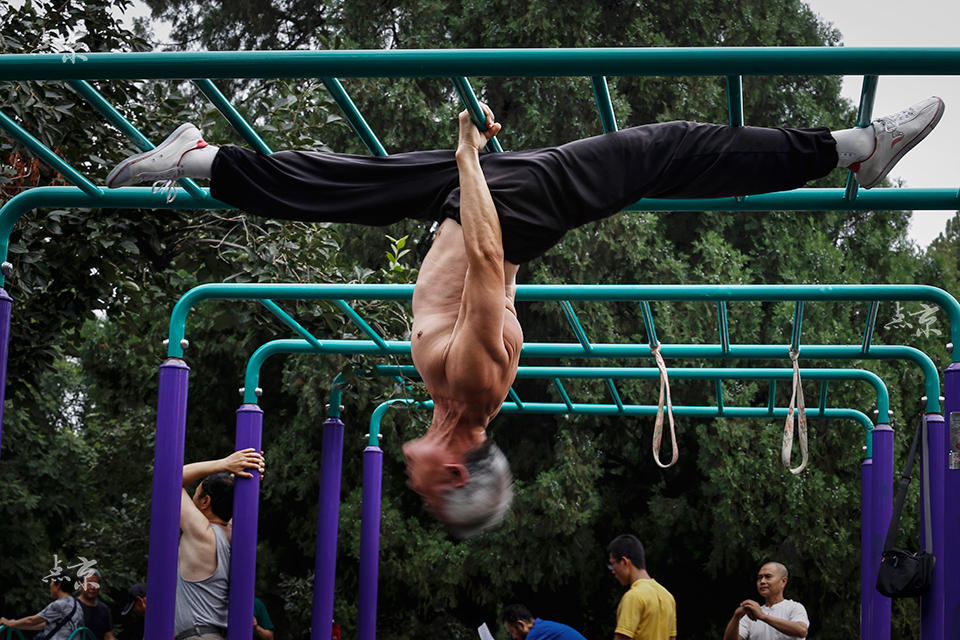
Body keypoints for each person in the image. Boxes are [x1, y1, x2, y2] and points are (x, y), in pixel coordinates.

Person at [107, 97, 944, 536]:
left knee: (351, 186)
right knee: (671, 148)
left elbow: (481, 273)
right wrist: (475, 162)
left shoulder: (455, 394)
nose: (413, 485)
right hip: (507, 205)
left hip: (473, 204)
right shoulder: (468, 385)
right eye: (431, 496)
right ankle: (856, 149)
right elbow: (483, 261)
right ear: (453, 472)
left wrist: (466, 177)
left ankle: (199, 159)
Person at [175, 448, 266, 640]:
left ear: (205, 501)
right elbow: (233, 501)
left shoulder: (202, 533)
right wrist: (243, 474)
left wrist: (224, 463)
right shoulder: (235, 533)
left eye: (196, 493)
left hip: (198, 636)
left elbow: (172, 478)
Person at [607, 534, 675, 640]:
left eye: (613, 564)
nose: (613, 571)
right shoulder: (668, 597)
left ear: (625, 561)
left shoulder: (633, 597)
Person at [723, 562, 809, 640]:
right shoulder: (751, 615)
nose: (762, 581)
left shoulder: (794, 607)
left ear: (783, 581)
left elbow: (801, 631)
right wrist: (736, 615)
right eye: (759, 578)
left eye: (768, 577)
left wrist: (763, 617)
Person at [0, 573, 85, 640]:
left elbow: (31, 620)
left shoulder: (59, 605)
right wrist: (15, 624)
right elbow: (43, 625)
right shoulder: (76, 604)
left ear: (58, 585)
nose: (50, 585)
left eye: (51, 582)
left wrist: (9, 622)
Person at [501, 603, 587, 640]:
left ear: (521, 624)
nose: (514, 637)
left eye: (512, 632)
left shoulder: (536, 634)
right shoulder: (542, 627)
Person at [77, 569, 115, 640]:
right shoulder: (73, 606)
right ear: (80, 585)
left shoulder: (104, 609)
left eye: (95, 583)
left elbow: (108, 636)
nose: (92, 587)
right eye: (88, 583)